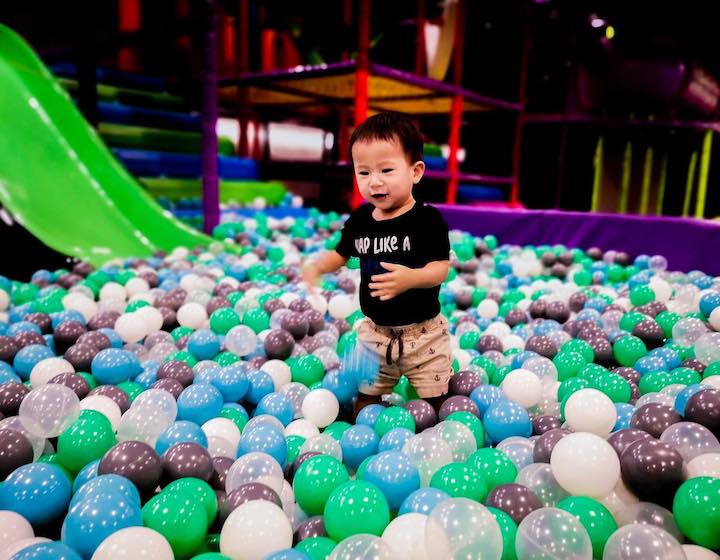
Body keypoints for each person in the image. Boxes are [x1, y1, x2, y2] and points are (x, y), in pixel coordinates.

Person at [302, 112, 452, 418]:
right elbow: (341, 254)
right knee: (364, 403)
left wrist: (411, 278)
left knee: (435, 407)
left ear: (416, 171)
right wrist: (317, 267)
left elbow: (441, 268)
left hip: (423, 336)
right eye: (364, 172)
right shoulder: (360, 220)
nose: (375, 181)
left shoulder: (427, 220)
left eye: (386, 169)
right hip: (376, 334)